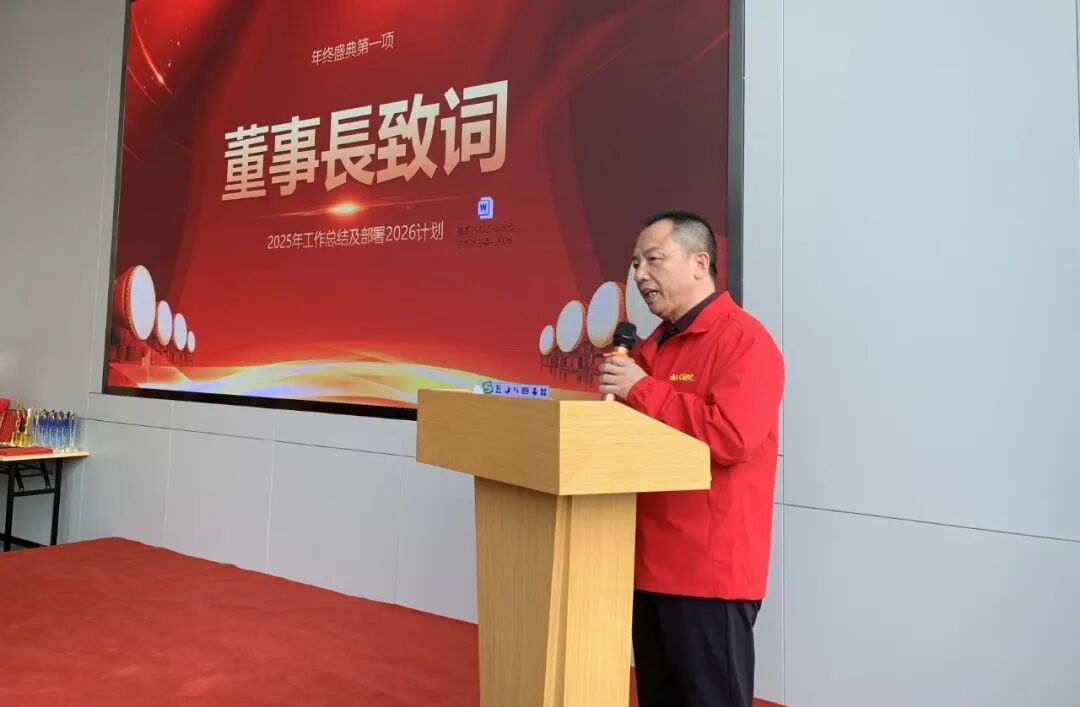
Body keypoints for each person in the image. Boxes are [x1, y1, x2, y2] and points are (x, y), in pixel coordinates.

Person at [599, 210, 784, 707]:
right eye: (635, 263)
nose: (640, 275)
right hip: (646, 567)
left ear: (700, 263)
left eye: (653, 259)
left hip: (707, 574)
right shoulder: (649, 349)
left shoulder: (743, 340)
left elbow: (733, 436)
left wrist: (642, 390)